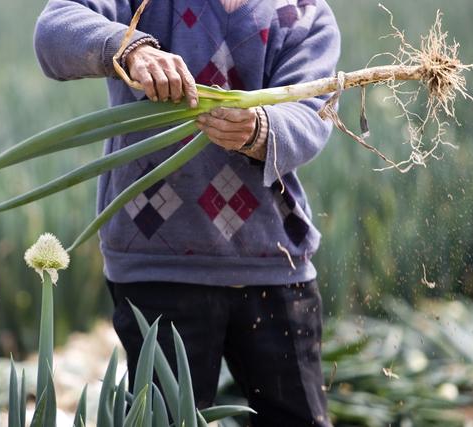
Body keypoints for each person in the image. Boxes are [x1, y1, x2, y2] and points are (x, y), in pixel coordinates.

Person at [34, 1, 340, 425]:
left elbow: (312, 112)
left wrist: (259, 130)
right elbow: (54, 29)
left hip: (273, 261)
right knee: (165, 419)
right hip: (158, 261)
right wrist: (130, 48)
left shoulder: (302, 12)